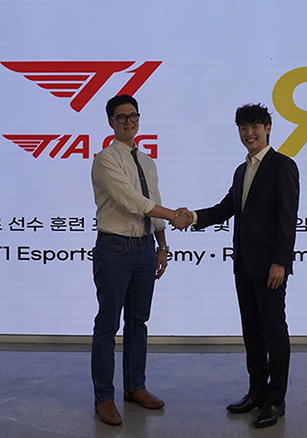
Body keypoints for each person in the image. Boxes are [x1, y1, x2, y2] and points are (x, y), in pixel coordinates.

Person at [179, 103, 300, 428]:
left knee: (274, 331)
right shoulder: (241, 170)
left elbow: (287, 220)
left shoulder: (283, 166)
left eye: (255, 127)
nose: (249, 133)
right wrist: (192, 217)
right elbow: (225, 208)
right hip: (244, 265)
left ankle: (276, 400)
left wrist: (280, 262)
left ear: (268, 128)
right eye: (244, 128)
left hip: (270, 267)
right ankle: (256, 392)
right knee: (252, 331)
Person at [90, 94, 190, 426]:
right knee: (108, 325)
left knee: (138, 322)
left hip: (145, 249)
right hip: (114, 248)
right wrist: (175, 215)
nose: (128, 121)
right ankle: (104, 396)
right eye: (121, 117)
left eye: (133, 115)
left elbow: (153, 203)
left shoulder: (148, 162)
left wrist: (162, 245)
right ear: (111, 122)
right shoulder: (105, 159)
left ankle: (135, 387)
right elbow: (132, 201)